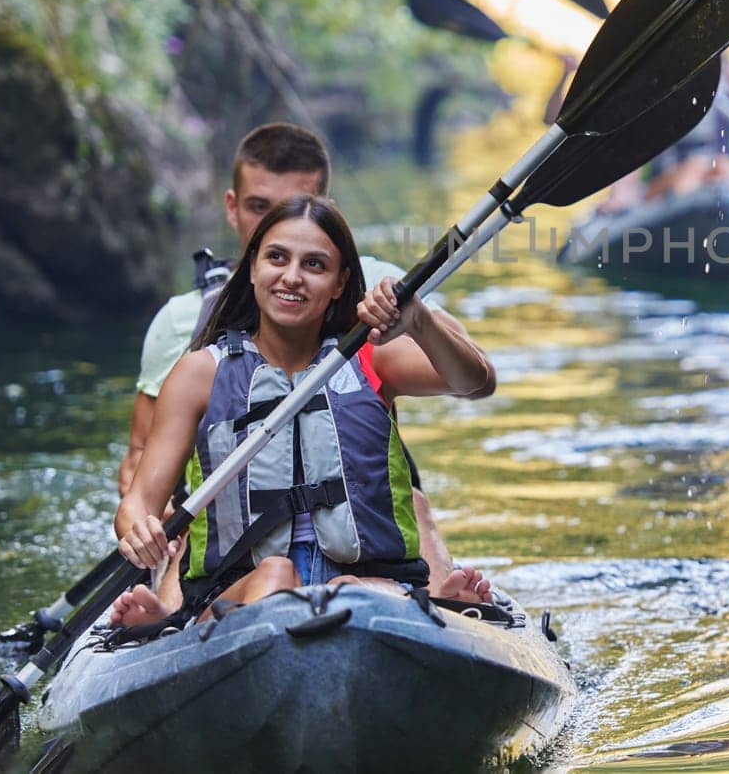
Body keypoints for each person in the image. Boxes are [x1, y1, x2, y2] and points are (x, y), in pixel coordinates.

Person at [120, 122, 494, 602]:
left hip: (358, 571)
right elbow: (139, 494)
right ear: (251, 266)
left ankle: (438, 605)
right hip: (245, 580)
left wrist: (418, 319)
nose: (293, 277)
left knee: (355, 587)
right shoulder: (199, 367)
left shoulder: (373, 343)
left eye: (315, 265)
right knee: (275, 575)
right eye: (276, 257)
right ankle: (167, 613)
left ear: (341, 281)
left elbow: (476, 381)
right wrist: (141, 528)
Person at [542, 53, 729, 212]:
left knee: (719, 166)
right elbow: (569, 126)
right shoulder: (647, 84)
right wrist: (621, 196)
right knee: (703, 166)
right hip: (665, 187)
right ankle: (695, 211)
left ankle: (717, 212)